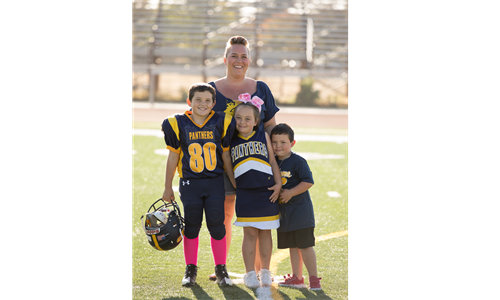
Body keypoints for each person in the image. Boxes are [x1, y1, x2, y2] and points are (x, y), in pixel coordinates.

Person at [208, 35, 280, 277]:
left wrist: (278, 158)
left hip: (258, 165)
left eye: (243, 56)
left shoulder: (261, 88)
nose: (239, 60)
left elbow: (270, 127)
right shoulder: (211, 89)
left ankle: (260, 270)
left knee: (260, 220)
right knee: (226, 215)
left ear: (249, 60)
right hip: (223, 163)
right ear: (225, 59)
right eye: (234, 56)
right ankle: (222, 267)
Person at [161, 83, 236, 287]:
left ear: (213, 103)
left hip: (214, 182)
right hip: (190, 183)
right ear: (189, 102)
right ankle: (190, 269)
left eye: (207, 100)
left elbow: (226, 155)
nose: (203, 104)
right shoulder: (177, 123)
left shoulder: (222, 121)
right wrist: (168, 187)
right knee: (192, 226)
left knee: (217, 226)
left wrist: (234, 180)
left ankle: (221, 268)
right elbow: (173, 156)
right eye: (198, 100)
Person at [224, 96, 282, 288]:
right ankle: (249, 273)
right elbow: (229, 166)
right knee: (249, 235)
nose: (242, 122)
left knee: (266, 234)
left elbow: (272, 162)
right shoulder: (231, 139)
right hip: (245, 194)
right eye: (238, 118)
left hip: (266, 192)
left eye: (247, 118)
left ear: (256, 121)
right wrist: (236, 185)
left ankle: (265, 271)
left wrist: (278, 184)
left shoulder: (263, 136)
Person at [271, 123, 322, 291]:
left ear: (292, 143)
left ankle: (314, 279)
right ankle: (297, 277)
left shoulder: (298, 161)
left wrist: (291, 192)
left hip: (301, 213)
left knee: (305, 246)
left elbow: (308, 181)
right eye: (275, 142)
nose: (278, 146)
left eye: (283, 142)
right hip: (285, 214)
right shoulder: (272, 162)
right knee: (293, 246)